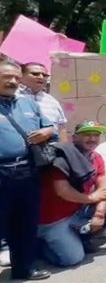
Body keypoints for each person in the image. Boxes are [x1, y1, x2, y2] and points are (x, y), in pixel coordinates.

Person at [37, 121, 106, 267]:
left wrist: (99, 214)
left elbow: (103, 189)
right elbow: (62, 190)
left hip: (77, 210)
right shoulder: (61, 157)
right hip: (55, 218)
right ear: (75, 137)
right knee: (73, 259)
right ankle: (41, 246)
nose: (92, 139)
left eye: (96, 135)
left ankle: (83, 238)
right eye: (87, 135)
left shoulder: (96, 157)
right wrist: (90, 198)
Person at [0, 60, 55, 280]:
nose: (12, 81)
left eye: (15, 77)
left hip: (28, 172)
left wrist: (46, 132)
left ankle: (24, 269)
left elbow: (50, 127)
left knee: (25, 224)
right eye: (6, 76)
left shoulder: (29, 104)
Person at [18, 62, 68, 142]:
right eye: (35, 74)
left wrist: (64, 151)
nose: (41, 77)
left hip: (50, 150)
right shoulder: (12, 96)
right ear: (21, 76)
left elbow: (61, 128)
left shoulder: (52, 101)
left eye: (45, 75)